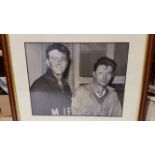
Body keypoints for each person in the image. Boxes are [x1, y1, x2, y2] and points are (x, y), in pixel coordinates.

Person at [30, 43, 72, 115]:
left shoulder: (66, 86)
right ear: (48, 62)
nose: (59, 62)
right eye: (54, 58)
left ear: (67, 63)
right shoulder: (38, 87)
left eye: (63, 58)